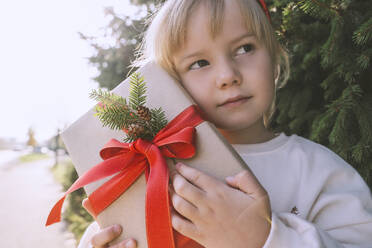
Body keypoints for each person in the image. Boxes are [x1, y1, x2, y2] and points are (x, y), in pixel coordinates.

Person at [78, 0, 372, 247]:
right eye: (200, 63)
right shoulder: (150, 171)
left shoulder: (319, 172)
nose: (227, 75)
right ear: (171, 83)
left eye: (245, 48)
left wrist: (262, 237)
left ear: (274, 56)